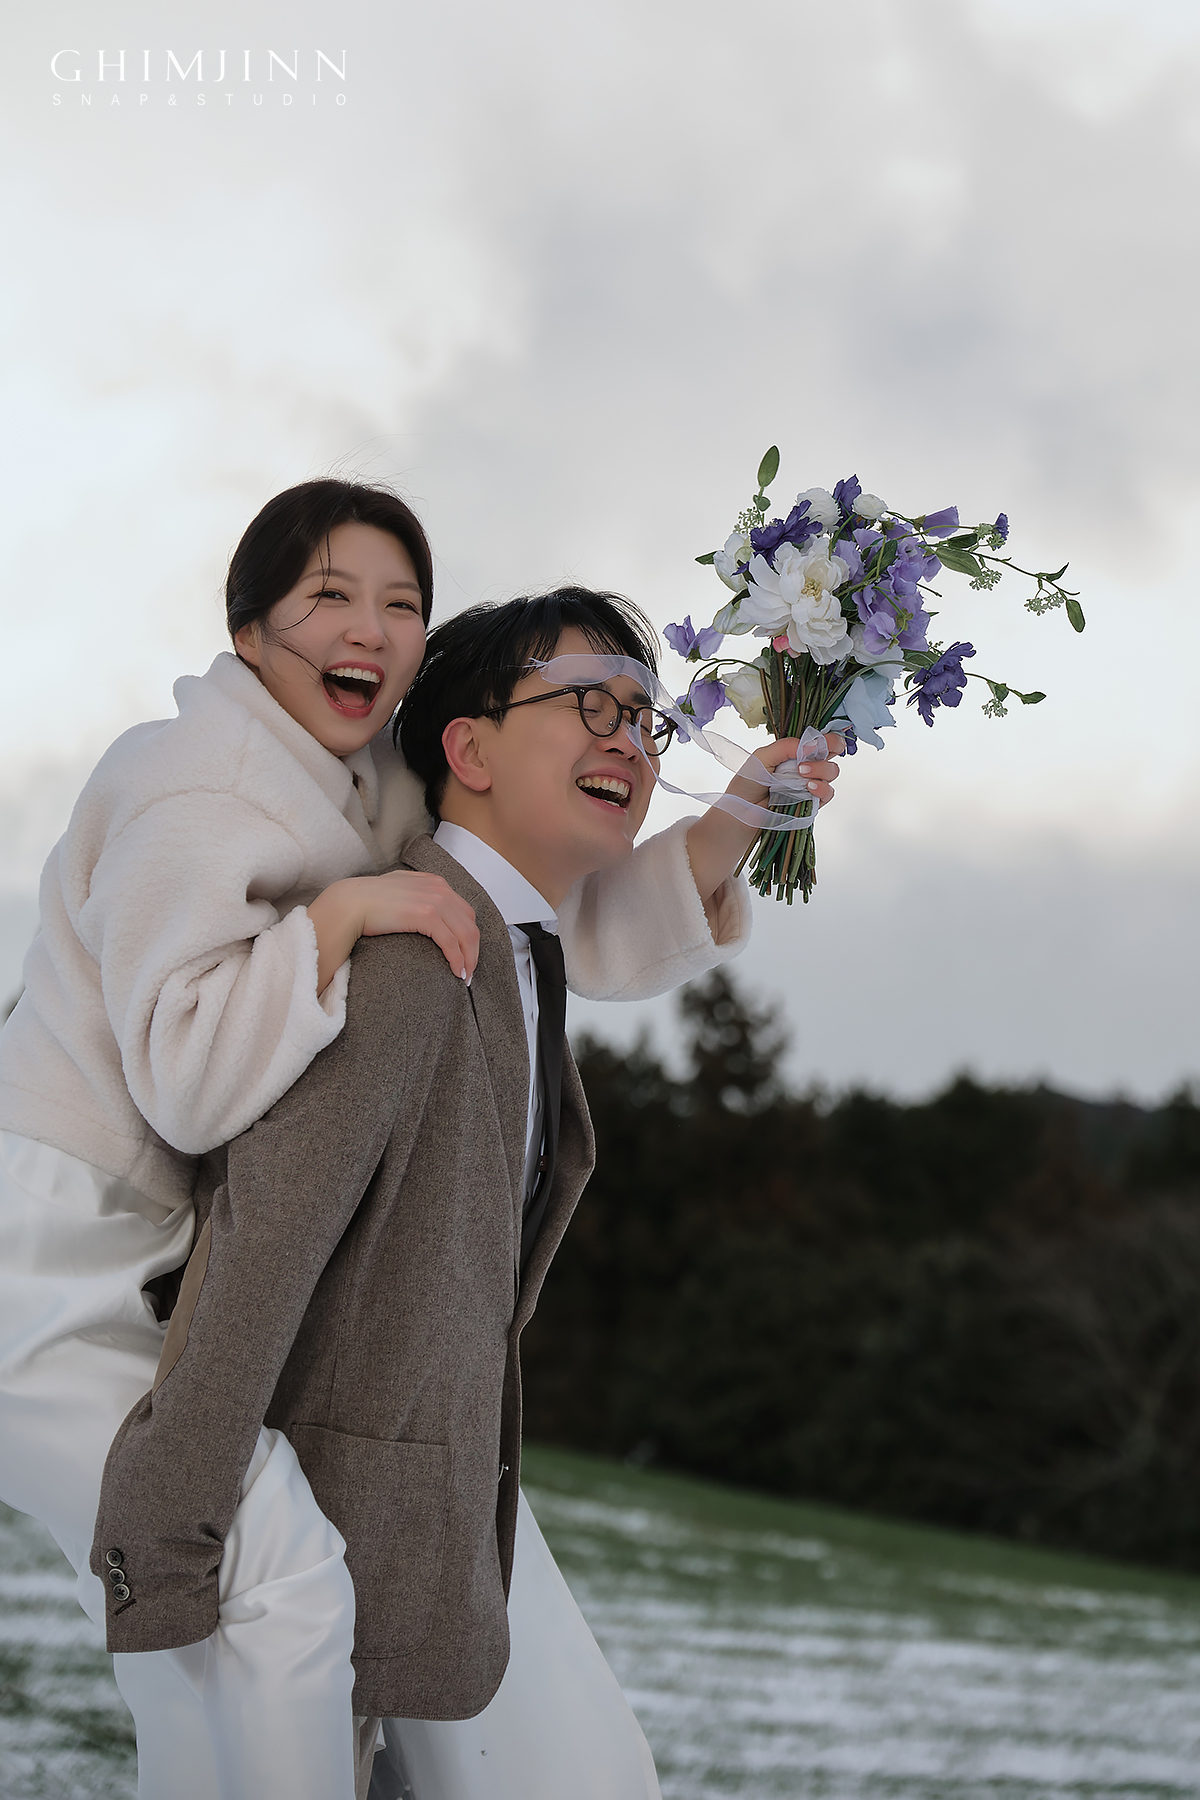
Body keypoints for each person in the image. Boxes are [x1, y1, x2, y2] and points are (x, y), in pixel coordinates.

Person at [0, 483, 843, 1795]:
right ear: (248, 630)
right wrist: (341, 921)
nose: (372, 628)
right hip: (50, 1249)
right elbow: (201, 1094)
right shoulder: (188, 787)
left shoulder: (375, 798)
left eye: (403, 604)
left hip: (197, 1272)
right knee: (260, 1585)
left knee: (270, 1658)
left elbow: (521, 911)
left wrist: (734, 818)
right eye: (329, 596)